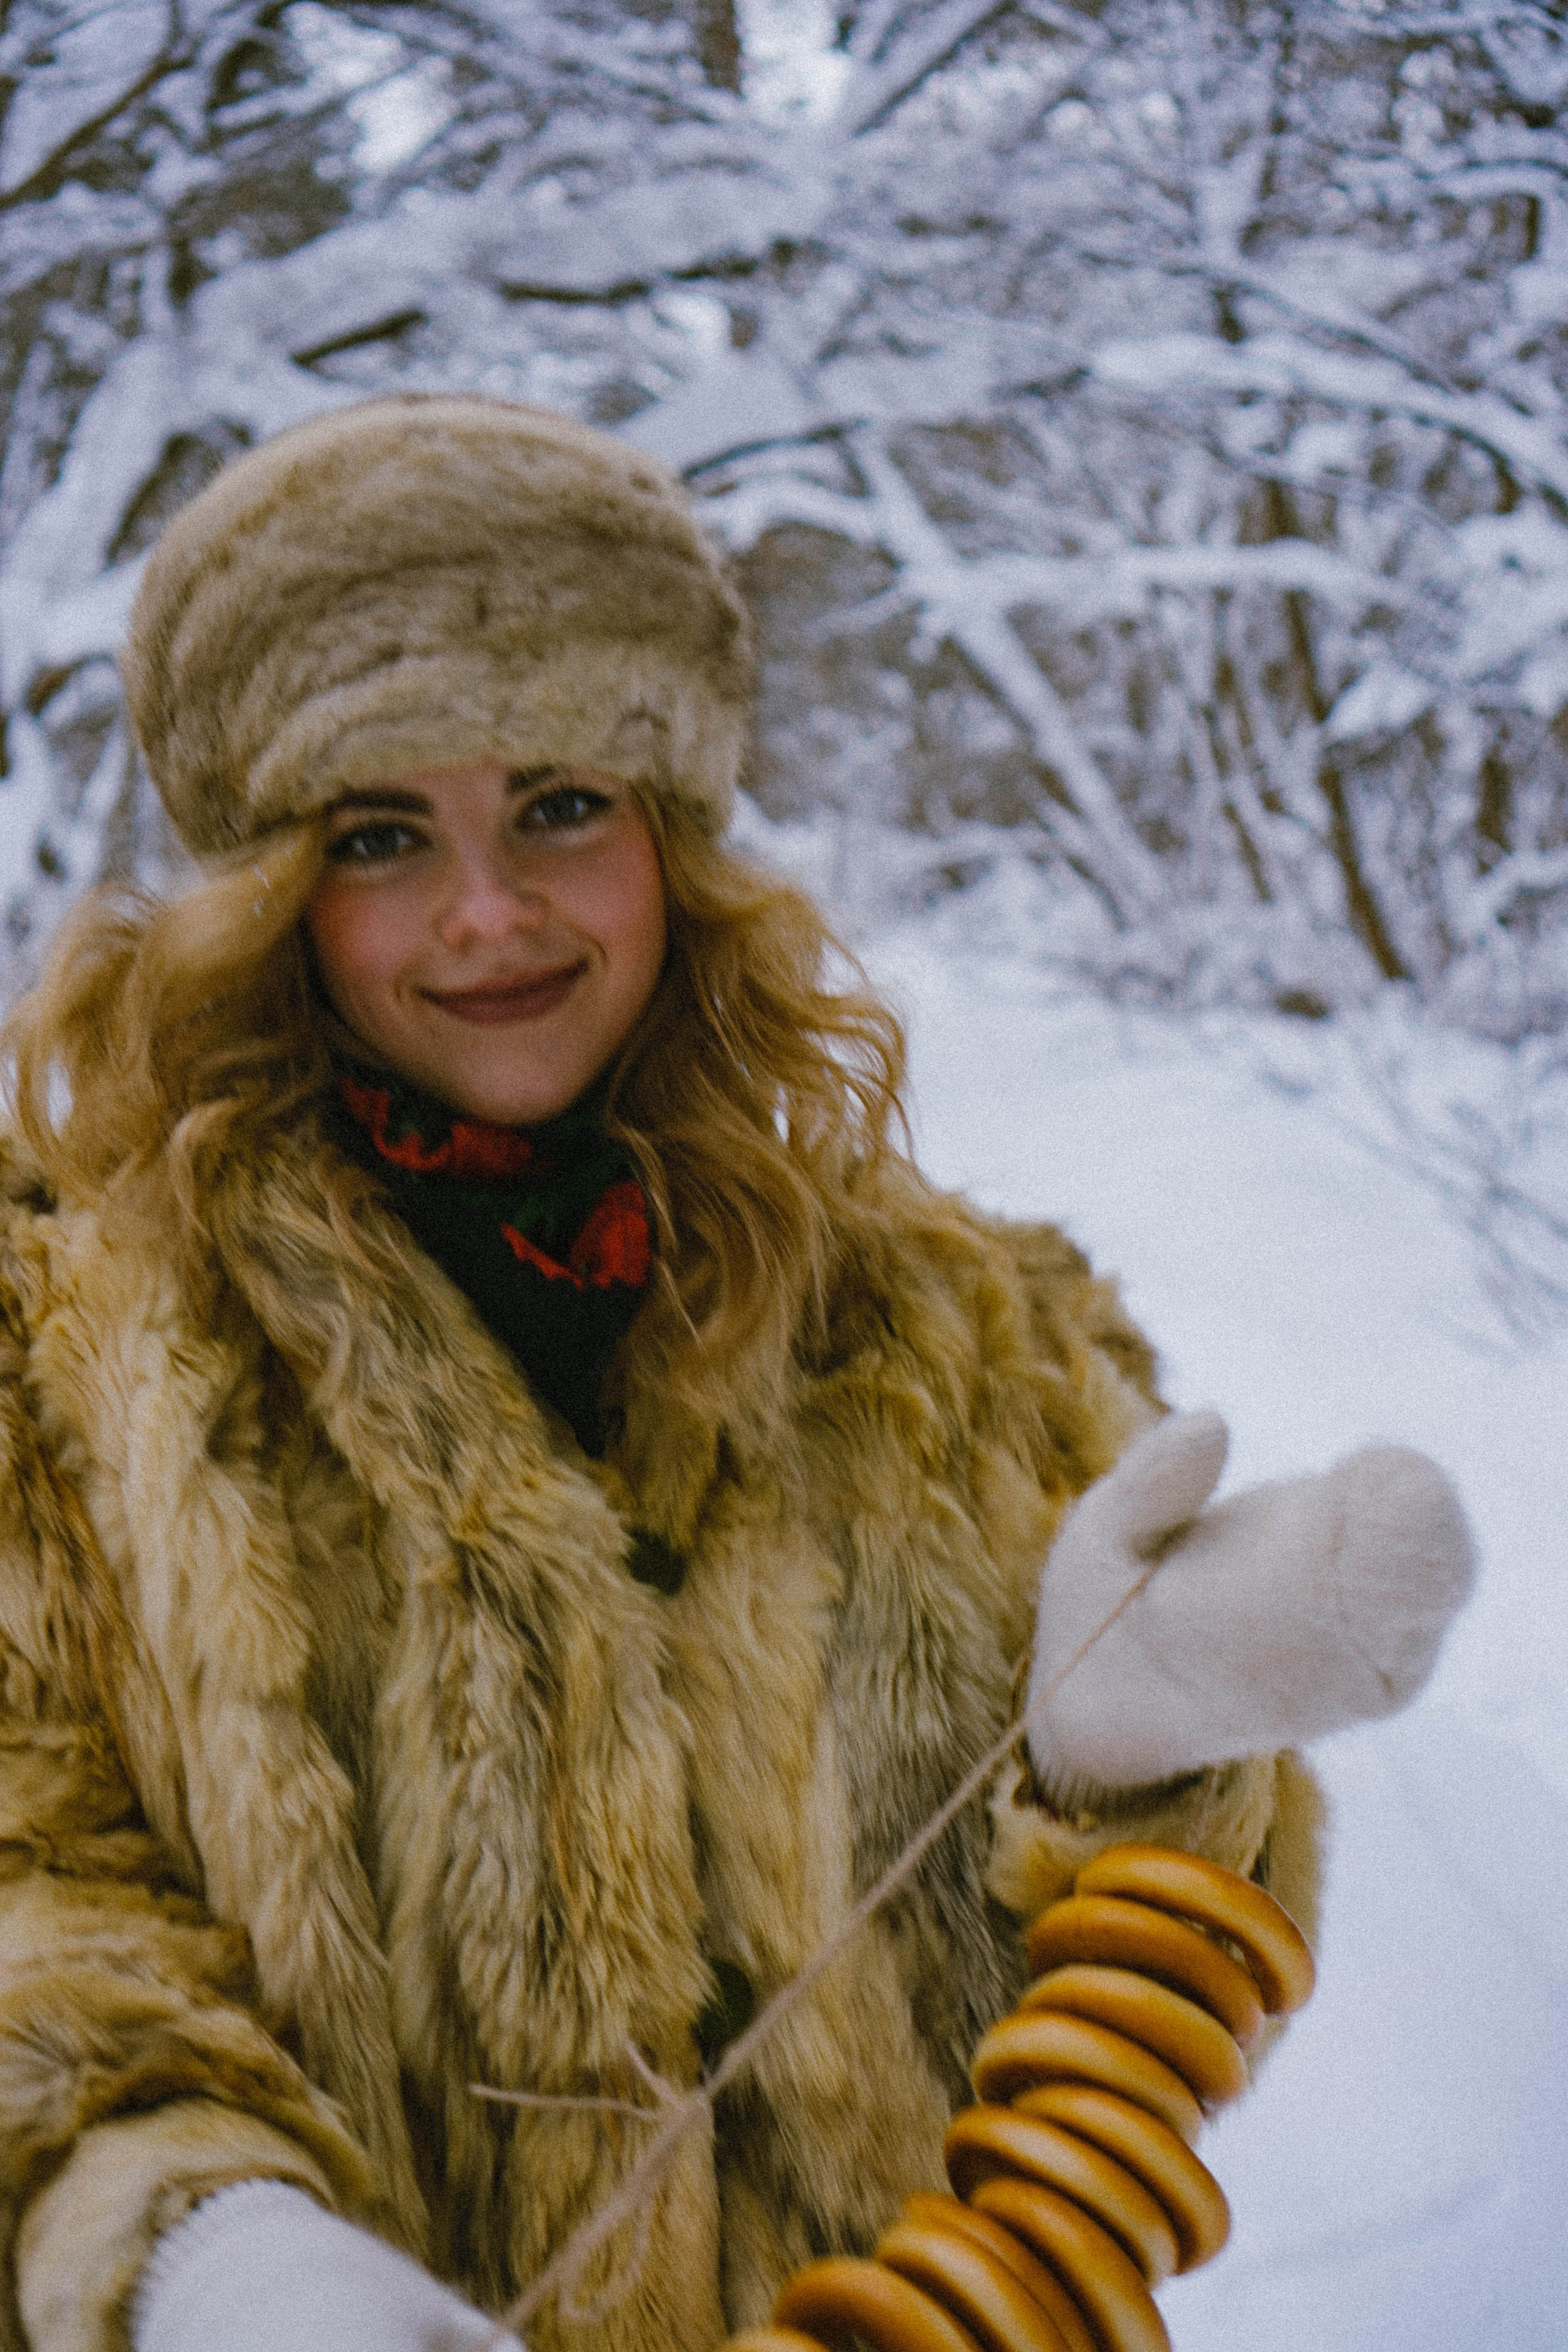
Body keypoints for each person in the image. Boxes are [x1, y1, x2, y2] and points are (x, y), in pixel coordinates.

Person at [0, 396, 1472, 2352]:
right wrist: (202, 2251)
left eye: (559, 806)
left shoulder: (962, 1341)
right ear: (273, 886)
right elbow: (33, 1909)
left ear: (671, 837)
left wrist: (1159, 1769)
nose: (490, 913)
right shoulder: (60, 1377)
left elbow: (1126, 2032)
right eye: (381, 836)